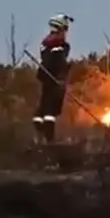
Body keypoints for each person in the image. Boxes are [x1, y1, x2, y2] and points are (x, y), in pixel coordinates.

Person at [33, 13, 73, 143]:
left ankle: (39, 127)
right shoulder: (58, 43)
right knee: (52, 108)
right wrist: (63, 74)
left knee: (44, 104)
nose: (66, 31)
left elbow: (46, 59)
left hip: (45, 76)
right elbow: (58, 62)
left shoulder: (46, 42)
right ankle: (49, 138)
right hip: (54, 78)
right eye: (65, 28)